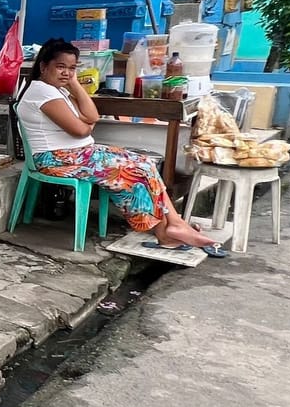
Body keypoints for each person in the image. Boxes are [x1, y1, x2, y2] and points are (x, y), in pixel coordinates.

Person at [16, 38, 225, 256]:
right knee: (136, 169)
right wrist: (86, 125)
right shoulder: (42, 92)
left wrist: (75, 85)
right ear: (43, 66)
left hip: (77, 155)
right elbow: (81, 130)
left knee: (143, 163)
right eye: (60, 67)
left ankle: (172, 225)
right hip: (58, 159)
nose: (66, 73)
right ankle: (168, 229)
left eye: (72, 68)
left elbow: (92, 116)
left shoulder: (56, 90)